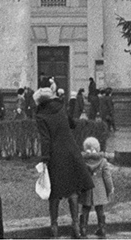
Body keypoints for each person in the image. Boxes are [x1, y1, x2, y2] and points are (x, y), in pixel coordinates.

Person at [36, 86, 94, 238]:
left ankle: (54, 226)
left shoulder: (41, 115)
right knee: (72, 190)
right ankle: (75, 225)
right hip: (71, 151)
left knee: (54, 192)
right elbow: (72, 124)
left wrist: (45, 159)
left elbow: (45, 139)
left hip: (55, 155)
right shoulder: (61, 108)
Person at [79, 136, 114, 238]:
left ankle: (83, 228)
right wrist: (110, 188)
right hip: (100, 189)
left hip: (86, 188)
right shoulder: (103, 161)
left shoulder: (82, 161)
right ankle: (102, 228)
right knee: (100, 209)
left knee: (85, 208)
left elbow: (79, 175)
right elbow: (107, 177)